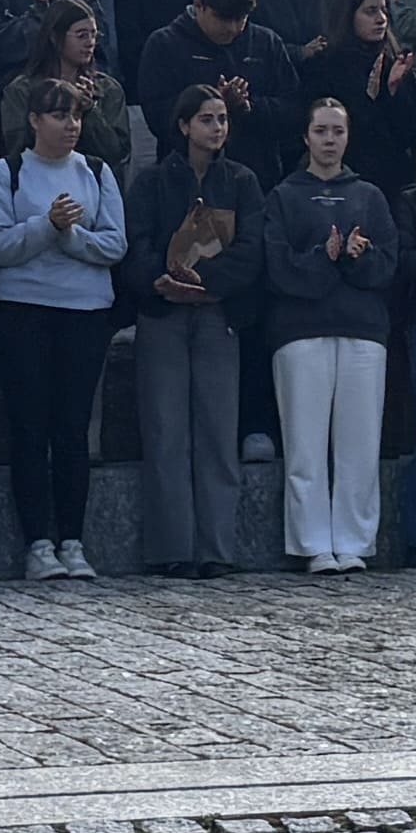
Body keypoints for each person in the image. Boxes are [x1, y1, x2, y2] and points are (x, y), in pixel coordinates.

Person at [245, 97, 399, 572]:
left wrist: (356, 256)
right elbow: (278, 269)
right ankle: (312, 543)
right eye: (321, 132)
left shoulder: (369, 195)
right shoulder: (284, 195)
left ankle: (353, 541)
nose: (330, 141)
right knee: (305, 445)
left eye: (338, 131)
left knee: (359, 443)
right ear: (306, 138)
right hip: (301, 331)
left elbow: (388, 264)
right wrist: (324, 256)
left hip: (362, 331)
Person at [119, 81, 260, 577]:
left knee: (218, 431)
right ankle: (171, 546)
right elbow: (133, 246)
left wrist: (208, 281)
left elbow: (251, 249)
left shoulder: (241, 180)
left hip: (218, 311)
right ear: (183, 126)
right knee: (165, 430)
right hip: (163, 312)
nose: (217, 128)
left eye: (222, 119)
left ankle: (217, 547)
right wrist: (160, 280)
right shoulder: (152, 182)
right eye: (206, 119)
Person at [0, 96, 125, 580]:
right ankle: (37, 542)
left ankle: (73, 539)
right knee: (29, 425)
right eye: (60, 115)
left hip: (83, 312)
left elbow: (114, 244)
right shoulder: (9, 171)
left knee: (72, 427)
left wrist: (70, 238)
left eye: (77, 116)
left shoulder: (98, 171)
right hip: (21, 311)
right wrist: (47, 225)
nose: (71, 125)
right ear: (34, 119)